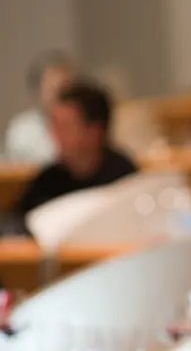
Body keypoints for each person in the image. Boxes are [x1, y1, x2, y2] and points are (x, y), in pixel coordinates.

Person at [14, 79, 137, 227]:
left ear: (94, 131)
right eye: (54, 125)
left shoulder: (125, 177)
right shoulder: (48, 181)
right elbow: (17, 223)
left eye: (65, 126)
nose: (55, 135)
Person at [5, 51, 75, 162]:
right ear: (38, 90)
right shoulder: (22, 130)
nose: (59, 96)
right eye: (52, 89)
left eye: (64, 89)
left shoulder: (83, 128)